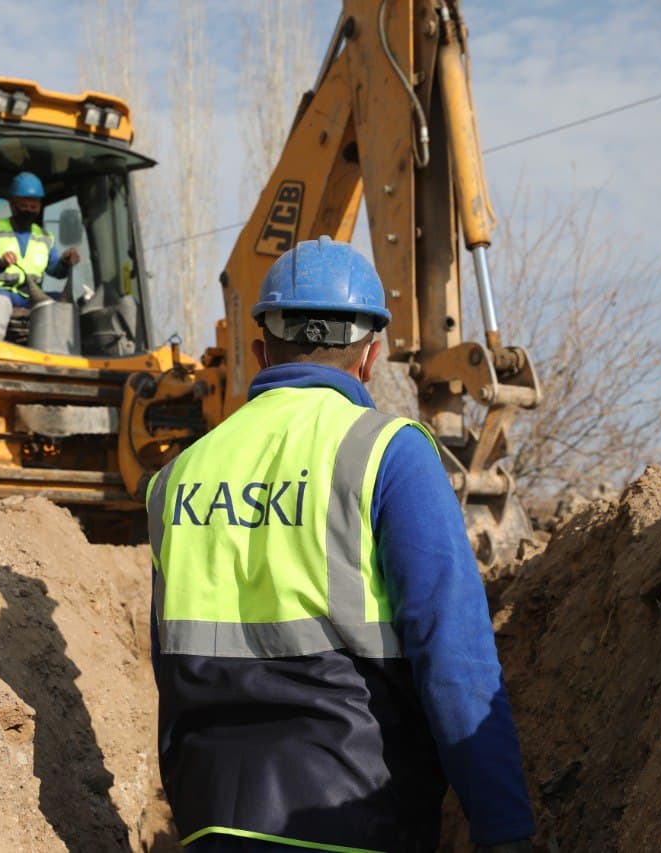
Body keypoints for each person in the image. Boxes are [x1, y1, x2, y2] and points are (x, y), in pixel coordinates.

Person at [145, 236, 536, 853]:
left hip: (211, 817)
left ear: (257, 351)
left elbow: (170, 666)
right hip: (356, 817)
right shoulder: (390, 452)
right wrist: (504, 826)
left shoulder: (176, 478)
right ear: (370, 357)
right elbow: (454, 652)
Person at [0, 171, 80, 340]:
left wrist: (65, 262)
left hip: (31, 296)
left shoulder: (44, 237)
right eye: (24, 206)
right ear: (12, 205)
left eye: (34, 207)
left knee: (64, 306)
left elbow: (55, 270)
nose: (29, 211)